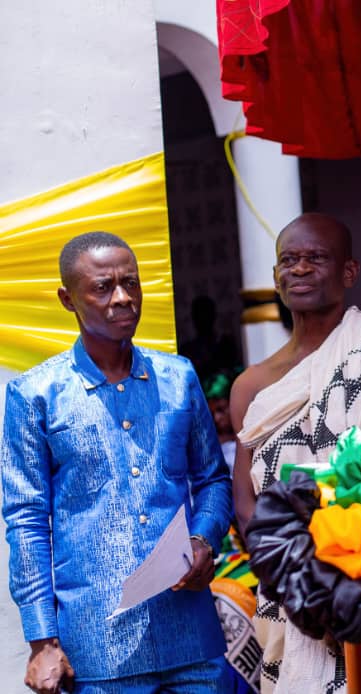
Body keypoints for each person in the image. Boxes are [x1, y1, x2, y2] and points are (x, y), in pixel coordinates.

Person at [2, 232, 233, 694]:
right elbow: (26, 520)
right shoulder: (35, 395)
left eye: (131, 283)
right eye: (103, 287)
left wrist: (203, 538)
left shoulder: (178, 377)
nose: (123, 297)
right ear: (68, 299)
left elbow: (213, 479)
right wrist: (42, 640)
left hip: (191, 636)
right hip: (99, 649)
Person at [229, 213, 361, 694]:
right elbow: (247, 503)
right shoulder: (252, 386)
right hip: (294, 591)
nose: (300, 269)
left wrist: (354, 577)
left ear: (349, 271)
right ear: (276, 277)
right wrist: (304, 586)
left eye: (316, 258)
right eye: (289, 260)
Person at [179, 295, 241, 380]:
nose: (202, 320)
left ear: (213, 315)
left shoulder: (225, 344)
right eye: (198, 315)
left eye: (205, 314)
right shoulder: (187, 350)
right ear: (193, 318)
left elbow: (233, 373)